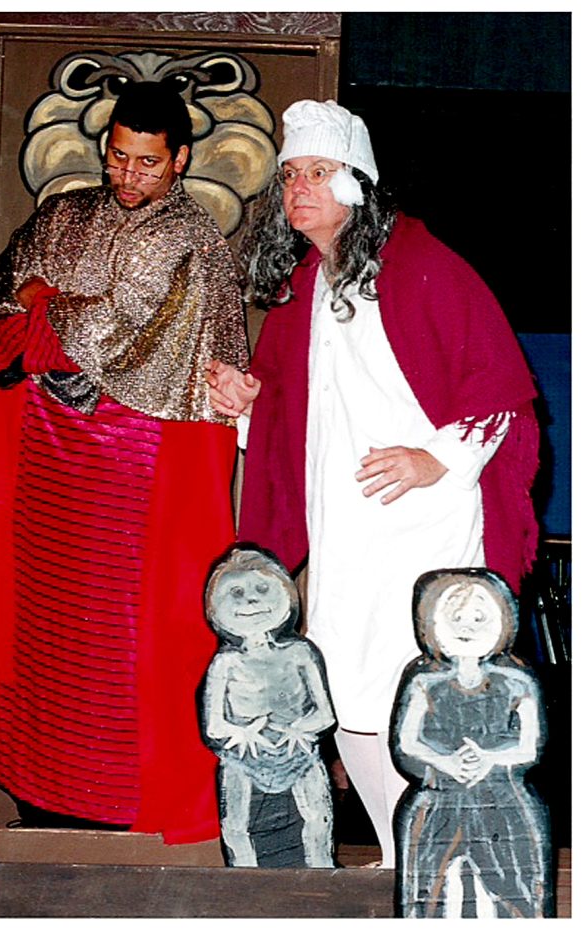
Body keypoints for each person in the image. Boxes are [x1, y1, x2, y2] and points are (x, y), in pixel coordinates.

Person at [205, 99, 539, 867]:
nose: (298, 188)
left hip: (424, 522)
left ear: (357, 182)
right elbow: (296, 416)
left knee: (416, 687)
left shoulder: (424, 266)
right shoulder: (303, 290)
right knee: (347, 689)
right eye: (291, 175)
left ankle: (440, 863)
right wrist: (250, 405)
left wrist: (436, 459)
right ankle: (397, 855)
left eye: (317, 172)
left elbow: (500, 392)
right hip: (345, 525)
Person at [0, 80, 249, 843]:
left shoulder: (195, 240)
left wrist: (46, 305)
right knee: (37, 639)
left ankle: (113, 815)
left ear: (181, 160)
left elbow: (118, 333)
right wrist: (47, 316)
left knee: (113, 652)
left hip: (133, 477)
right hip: (44, 461)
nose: (128, 175)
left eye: (148, 162)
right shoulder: (66, 213)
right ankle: (41, 804)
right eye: (118, 157)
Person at [392, 568, 551, 917]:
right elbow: (405, 743)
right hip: (440, 798)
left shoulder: (517, 680)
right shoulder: (424, 680)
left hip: (502, 800)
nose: (467, 627)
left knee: (514, 886)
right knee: (429, 890)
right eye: (456, 618)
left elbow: (531, 747)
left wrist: (490, 758)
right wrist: (445, 762)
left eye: (479, 618)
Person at [201, 545, 335, 868]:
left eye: (262, 589)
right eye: (236, 593)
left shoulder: (300, 654)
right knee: (236, 826)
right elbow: (214, 726)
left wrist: (300, 729)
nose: (250, 601)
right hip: (243, 760)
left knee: (318, 820)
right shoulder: (225, 663)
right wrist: (242, 734)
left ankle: (321, 874)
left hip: (299, 754)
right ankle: (246, 882)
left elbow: (325, 714)